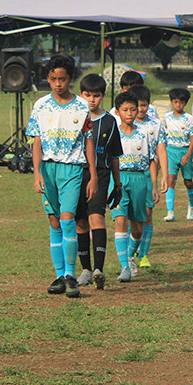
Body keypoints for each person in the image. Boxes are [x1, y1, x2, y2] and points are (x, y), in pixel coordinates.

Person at [28, 55, 98, 298]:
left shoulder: (81, 106)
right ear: (47, 78)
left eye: (63, 79)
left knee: (68, 219)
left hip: (73, 169)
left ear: (70, 79)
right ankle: (59, 275)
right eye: (53, 79)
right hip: (48, 169)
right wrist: (36, 172)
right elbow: (36, 142)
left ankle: (71, 276)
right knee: (54, 222)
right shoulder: (40, 106)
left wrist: (94, 175)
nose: (58, 84)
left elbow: (88, 141)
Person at [73, 74, 123, 291]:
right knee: (80, 223)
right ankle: (85, 269)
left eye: (96, 96)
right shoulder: (73, 117)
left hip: (100, 175)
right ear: (81, 95)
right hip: (76, 174)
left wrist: (118, 184)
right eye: (87, 95)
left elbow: (114, 156)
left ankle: (98, 270)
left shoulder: (110, 122)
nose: (91, 100)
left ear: (103, 96)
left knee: (97, 219)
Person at [111, 92, 159, 283]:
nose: (130, 113)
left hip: (140, 179)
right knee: (120, 220)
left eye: (133, 109)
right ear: (117, 112)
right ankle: (124, 267)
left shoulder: (143, 134)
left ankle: (131, 255)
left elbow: (151, 160)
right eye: (125, 110)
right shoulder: (113, 134)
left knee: (138, 228)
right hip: (120, 178)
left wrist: (153, 185)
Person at [128, 85, 166, 269]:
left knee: (148, 214)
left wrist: (163, 176)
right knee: (132, 216)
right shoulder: (124, 125)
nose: (141, 110)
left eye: (145, 105)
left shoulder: (155, 125)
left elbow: (161, 149)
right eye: (138, 106)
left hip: (148, 174)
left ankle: (143, 255)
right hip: (129, 174)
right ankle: (130, 252)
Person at [163, 87, 193, 222]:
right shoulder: (167, 117)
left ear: (185, 103)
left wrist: (189, 153)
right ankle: (170, 211)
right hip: (171, 151)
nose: (178, 105)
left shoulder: (189, 119)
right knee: (170, 180)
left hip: (184, 151)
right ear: (172, 102)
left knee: (188, 181)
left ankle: (191, 207)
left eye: (181, 102)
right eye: (176, 102)